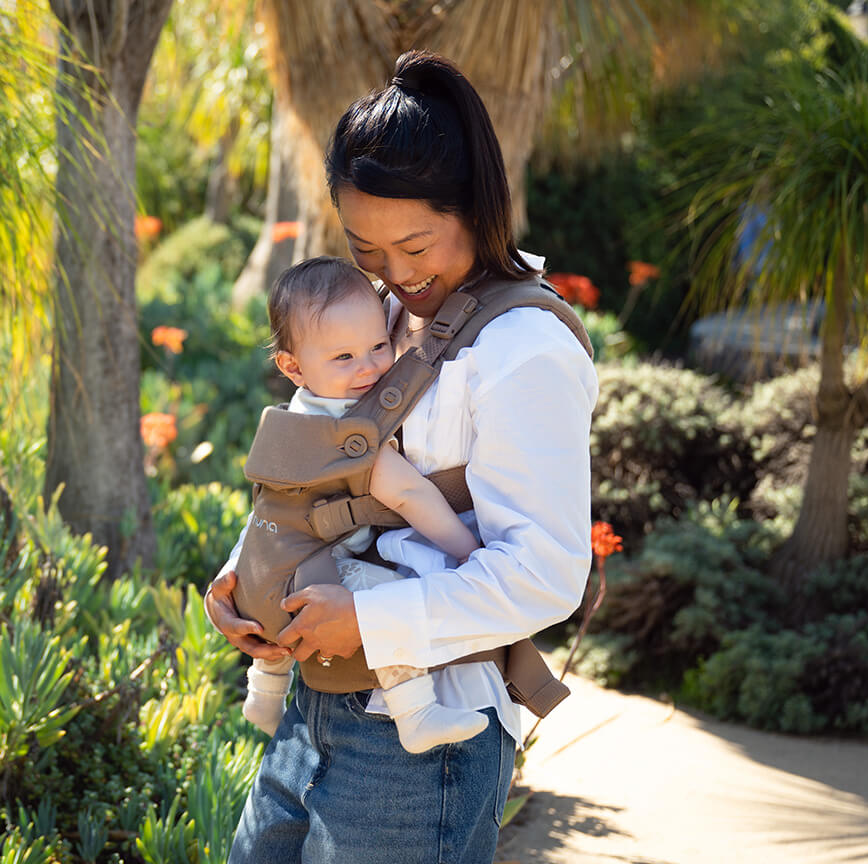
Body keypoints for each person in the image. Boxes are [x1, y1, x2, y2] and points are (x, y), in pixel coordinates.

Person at [206, 49, 599, 864]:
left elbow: (547, 574)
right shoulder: (374, 314)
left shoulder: (524, 348)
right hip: (314, 706)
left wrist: (368, 619)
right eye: (367, 251)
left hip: (425, 739)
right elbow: (318, 466)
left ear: (477, 206)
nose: (396, 275)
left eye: (416, 246)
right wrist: (247, 577)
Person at [239, 254, 490, 754]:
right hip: (308, 587)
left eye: (378, 346)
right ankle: (415, 712)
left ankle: (263, 695)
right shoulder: (350, 433)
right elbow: (411, 494)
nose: (370, 367)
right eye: (344, 358)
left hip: (256, 575)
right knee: (384, 602)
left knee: (286, 601)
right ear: (292, 366)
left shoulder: (295, 416)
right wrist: (469, 551)